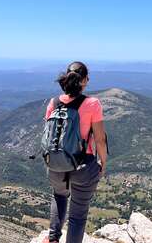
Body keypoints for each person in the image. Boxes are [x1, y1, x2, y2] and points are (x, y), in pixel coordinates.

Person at [43, 61, 108, 243]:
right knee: (78, 215)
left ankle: (53, 238)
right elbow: (100, 139)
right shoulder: (92, 104)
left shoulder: (53, 102)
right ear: (85, 80)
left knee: (59, 195)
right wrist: (103, 162)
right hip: (82, 166)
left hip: (55, 164)